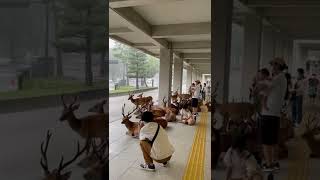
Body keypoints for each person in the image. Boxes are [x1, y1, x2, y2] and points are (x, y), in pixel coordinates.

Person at [259, 58, 287, 171]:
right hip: (274, 113)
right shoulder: (281, 78)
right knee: (273, 140)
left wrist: (259, 81)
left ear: (277, 66)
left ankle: (268, 164)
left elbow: (265, 86)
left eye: (273, 65)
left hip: (268, 113)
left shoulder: (279, 78)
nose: (272, 68)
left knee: (266, 141)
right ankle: (274, 163)